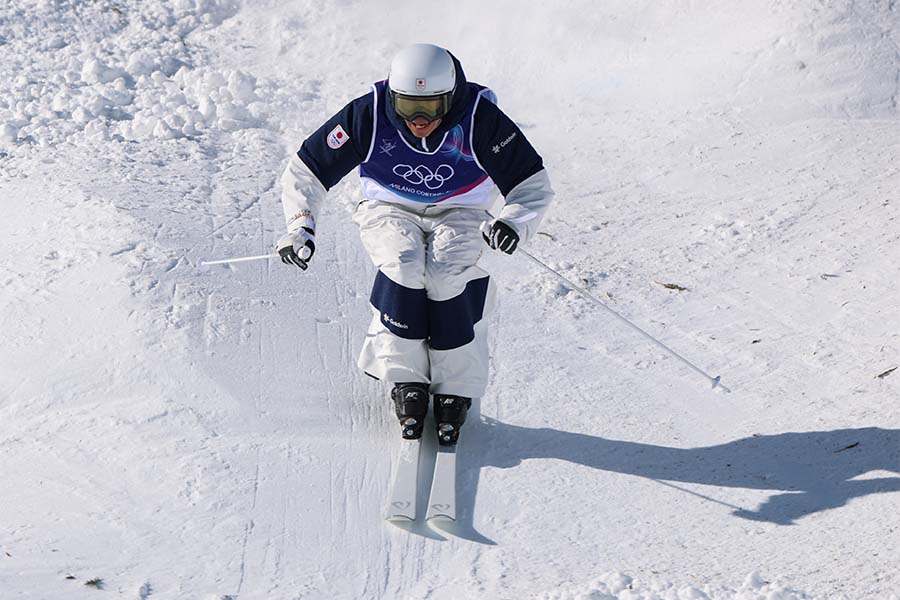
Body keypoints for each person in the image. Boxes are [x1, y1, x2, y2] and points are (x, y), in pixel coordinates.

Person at [276, 43, 553, 446]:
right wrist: (301, 225)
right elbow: (308, 170)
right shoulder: (370, 114)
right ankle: (405, 378)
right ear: (394, 97)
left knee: (445, 274)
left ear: (451, 97)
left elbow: (531, 185)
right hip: (389, 205)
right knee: (403, 263)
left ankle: (455, 384)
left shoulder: (480, 118)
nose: (419, 120)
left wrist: (514, 222)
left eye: (431, 106)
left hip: (461, 209)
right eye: (408, 107)